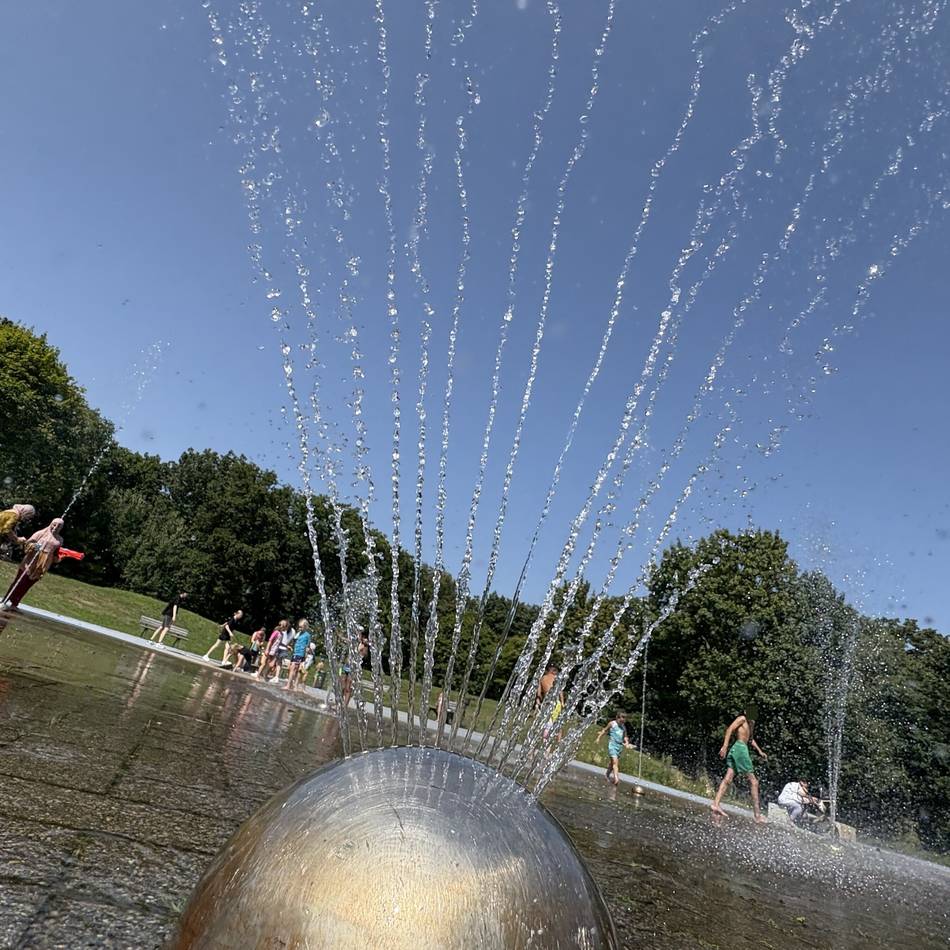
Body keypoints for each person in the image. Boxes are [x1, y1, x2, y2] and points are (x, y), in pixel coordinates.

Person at [711, 712, 768, 822]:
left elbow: (750, 739)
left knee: (728, 779)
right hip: (740, 749)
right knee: (754, 782)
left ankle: (715, 804)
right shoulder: (742, 719)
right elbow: (729, 729)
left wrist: (760, 751)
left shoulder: (751, 723)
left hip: (739, 749)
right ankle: (757, 816)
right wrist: (724, 746)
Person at [2, 518, 64, 609]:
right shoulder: (41, 533)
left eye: (59, 526)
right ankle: (5, 599)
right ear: (51, 523)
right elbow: (28, 543)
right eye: (54, 524)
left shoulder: (60, 540)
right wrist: (35, 547)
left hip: (42, 566)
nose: (55, 527)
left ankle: (14, 603)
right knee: (19, 581)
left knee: (27, 585)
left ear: (61, 528)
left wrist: (58, 558)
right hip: (30, 562)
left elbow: (55, 554)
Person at [597, 712, 633, 786]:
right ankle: (616, 778)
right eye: (621, 721)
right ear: (617, 718)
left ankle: (607, 775)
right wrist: (599, 737)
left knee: (612, 763)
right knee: (615, 762)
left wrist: (626, 743)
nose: (621, 723)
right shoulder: (612, 724)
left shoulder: (623, 727)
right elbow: (604, 730)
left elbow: (625, 737)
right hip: (612, 745)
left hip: (619, 747)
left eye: (623, 722)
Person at [536, 663, 565, 741]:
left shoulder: (542, 679)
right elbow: (560, 691)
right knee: (558, 724)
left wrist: (540, 701)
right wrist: (562, 702)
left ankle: (544, 741)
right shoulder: (556, 678)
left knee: (546, 724)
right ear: (553, 671)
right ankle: (558, 742)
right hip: (556, 703)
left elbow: (538, 694)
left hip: (546, 703)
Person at [286, 619, 312, 691]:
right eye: (299, 627)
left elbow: (308, 646)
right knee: (295, 669)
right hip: (295, 653)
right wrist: (291, 647)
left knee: (295, 669)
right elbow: (295, 641)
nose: (299, 628)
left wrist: (305, 655)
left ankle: (289, 685)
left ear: (305, 627)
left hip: (300, 654)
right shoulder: (298, 633)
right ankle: (294, 686)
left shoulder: (307, 635)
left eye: (301, 627)